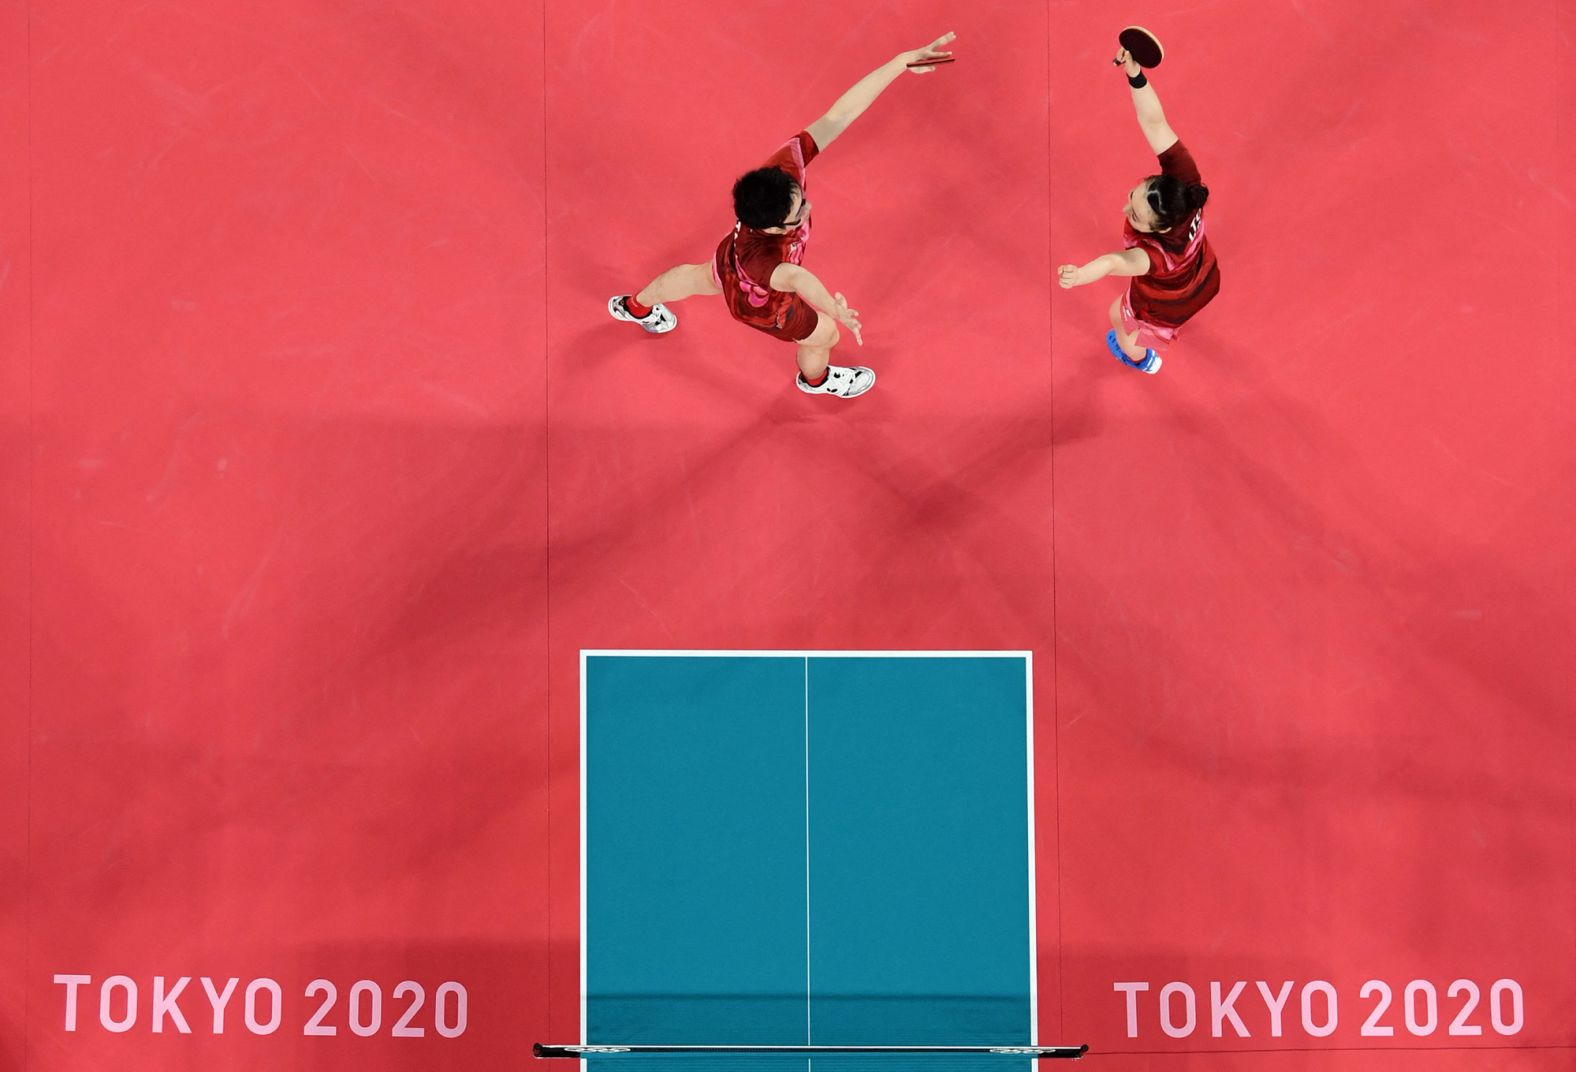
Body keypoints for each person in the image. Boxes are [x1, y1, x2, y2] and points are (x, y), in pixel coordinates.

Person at [609, 33, 957, 398]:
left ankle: (636, 306)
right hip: (761, 304)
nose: (807, 207)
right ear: (774, 227)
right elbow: (797, 278)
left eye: (801, 198)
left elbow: (839, 115)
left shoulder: (781, 171)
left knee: (700, 276)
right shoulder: (766, 259)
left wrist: (899, 63)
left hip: (729, 261)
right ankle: (816, 381)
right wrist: (833, 309)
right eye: (798, 214)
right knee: (826, 335)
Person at [1058, 42, 1219, 375]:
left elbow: (1114, 262)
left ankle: (1143, 360)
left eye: (1134, 216)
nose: (1124, 208)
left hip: (1167, 302)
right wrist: (1135, 75)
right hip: (1205, 274)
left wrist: (1078, 276)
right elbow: (1155, 123)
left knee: (1118, 315)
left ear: (1158, 230)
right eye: (1132, 196)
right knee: (1124, 312)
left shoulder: (1156, 255)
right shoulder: (1185, 184)